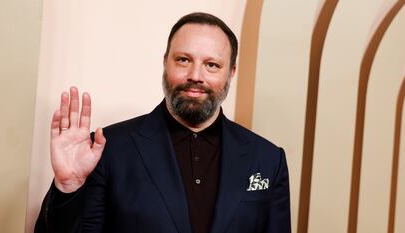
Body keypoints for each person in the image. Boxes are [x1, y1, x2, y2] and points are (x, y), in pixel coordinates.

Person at [34, 12, 291, 233]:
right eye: (183, 60)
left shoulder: (268, 159)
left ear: (231, 72)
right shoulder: (106, 149)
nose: (195, 76)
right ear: (165, 62)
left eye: (212, 65)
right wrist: (69, 187)